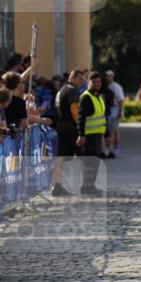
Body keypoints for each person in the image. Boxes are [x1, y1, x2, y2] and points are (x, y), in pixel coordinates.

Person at [53, 68, 84, 197]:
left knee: (60, 158)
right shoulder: (72, 91)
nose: (82, 82)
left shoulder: (61, 90)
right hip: (71, 128)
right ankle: (86, 185)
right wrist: (80, 126)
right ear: (73, 78)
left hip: (61, 128)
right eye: (80, 79)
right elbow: (74, 110)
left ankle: (57, 186)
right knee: (83, 156)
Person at [76, 71, 106, 196]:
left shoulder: (98, 96)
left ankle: (90, 186)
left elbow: (102, 116)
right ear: (87, 83)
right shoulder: (86, 97)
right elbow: (81, 118)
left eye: (98, 82)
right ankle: (86, 187)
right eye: (93, 82)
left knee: (95, 162)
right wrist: (81, 135)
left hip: (97, 135)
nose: (96, 84)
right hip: (88, 136)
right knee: (89, 162)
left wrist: (106, 134)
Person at [103, 70, 125, 158]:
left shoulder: (116, 87)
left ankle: (116, 148)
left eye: (109, 76)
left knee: (114, 131)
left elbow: (121, 100)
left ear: (113, 77)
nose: (107, 78)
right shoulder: (105, 86)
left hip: (115, 113)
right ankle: (110, 148)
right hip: (108, 112)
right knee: (109, 131)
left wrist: (120, 111)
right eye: (106, 76)